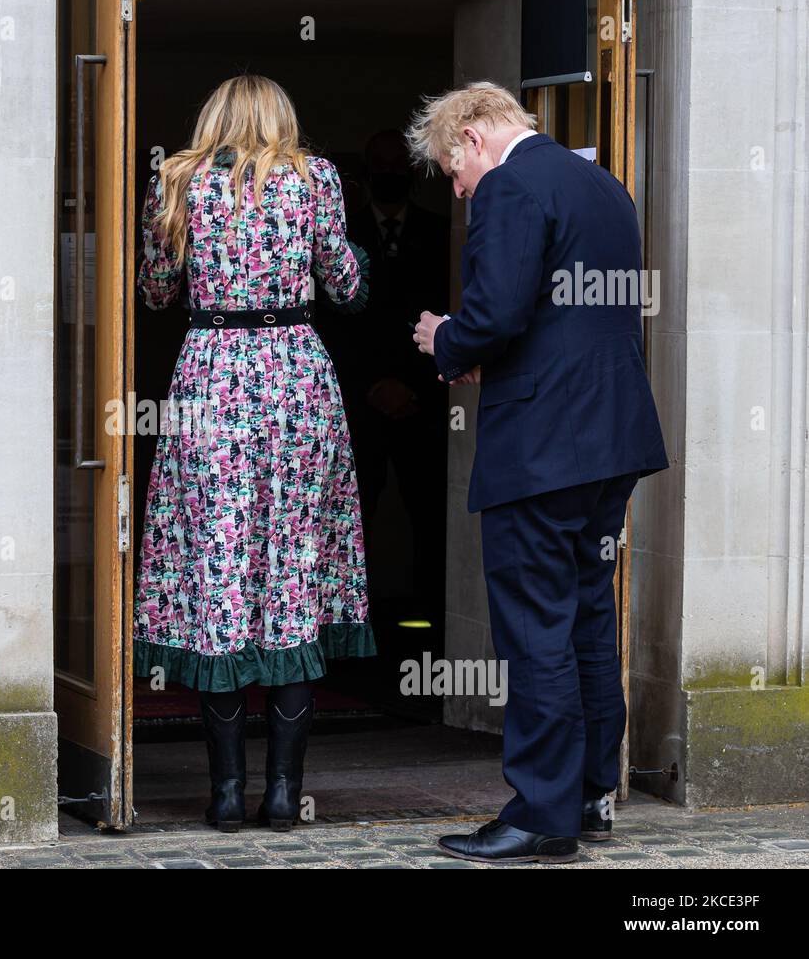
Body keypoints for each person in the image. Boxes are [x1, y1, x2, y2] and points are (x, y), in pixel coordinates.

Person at [407, 82, 668, 863]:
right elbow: (574, 316)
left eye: (454, 171)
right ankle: (590, 794)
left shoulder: (512, 185)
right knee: (588, 617)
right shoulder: (603, 183)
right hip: (611, 439)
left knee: (535, 630)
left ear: (475, 136)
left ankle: (542, 814)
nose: (457, 189)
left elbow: (495, 312)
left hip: (544, 448)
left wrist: (444, 340)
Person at [133, 74, 375, 833]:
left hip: (212, 371)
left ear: (212, 117)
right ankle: (283, 793)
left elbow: (155, 291)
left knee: (220, 568)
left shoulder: (176, 180)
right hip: (296, 373)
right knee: (292, 565)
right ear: (282, 118)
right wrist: (350, 259)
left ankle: (227, 794)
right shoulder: (316, 180)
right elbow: (345, 285)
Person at [316, 130, 450, 626]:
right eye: (383, 163)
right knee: (351, 514)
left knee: (431, 513)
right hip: (359, 401)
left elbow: (452, 309)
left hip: (423, 398)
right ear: (368, 169)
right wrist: (372, 383)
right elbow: (331, 319)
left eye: (401, 163)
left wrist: (412, 383)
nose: (392, 171)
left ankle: (431, 620)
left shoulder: (441, 232)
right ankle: (350, 629)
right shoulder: (339, 236)